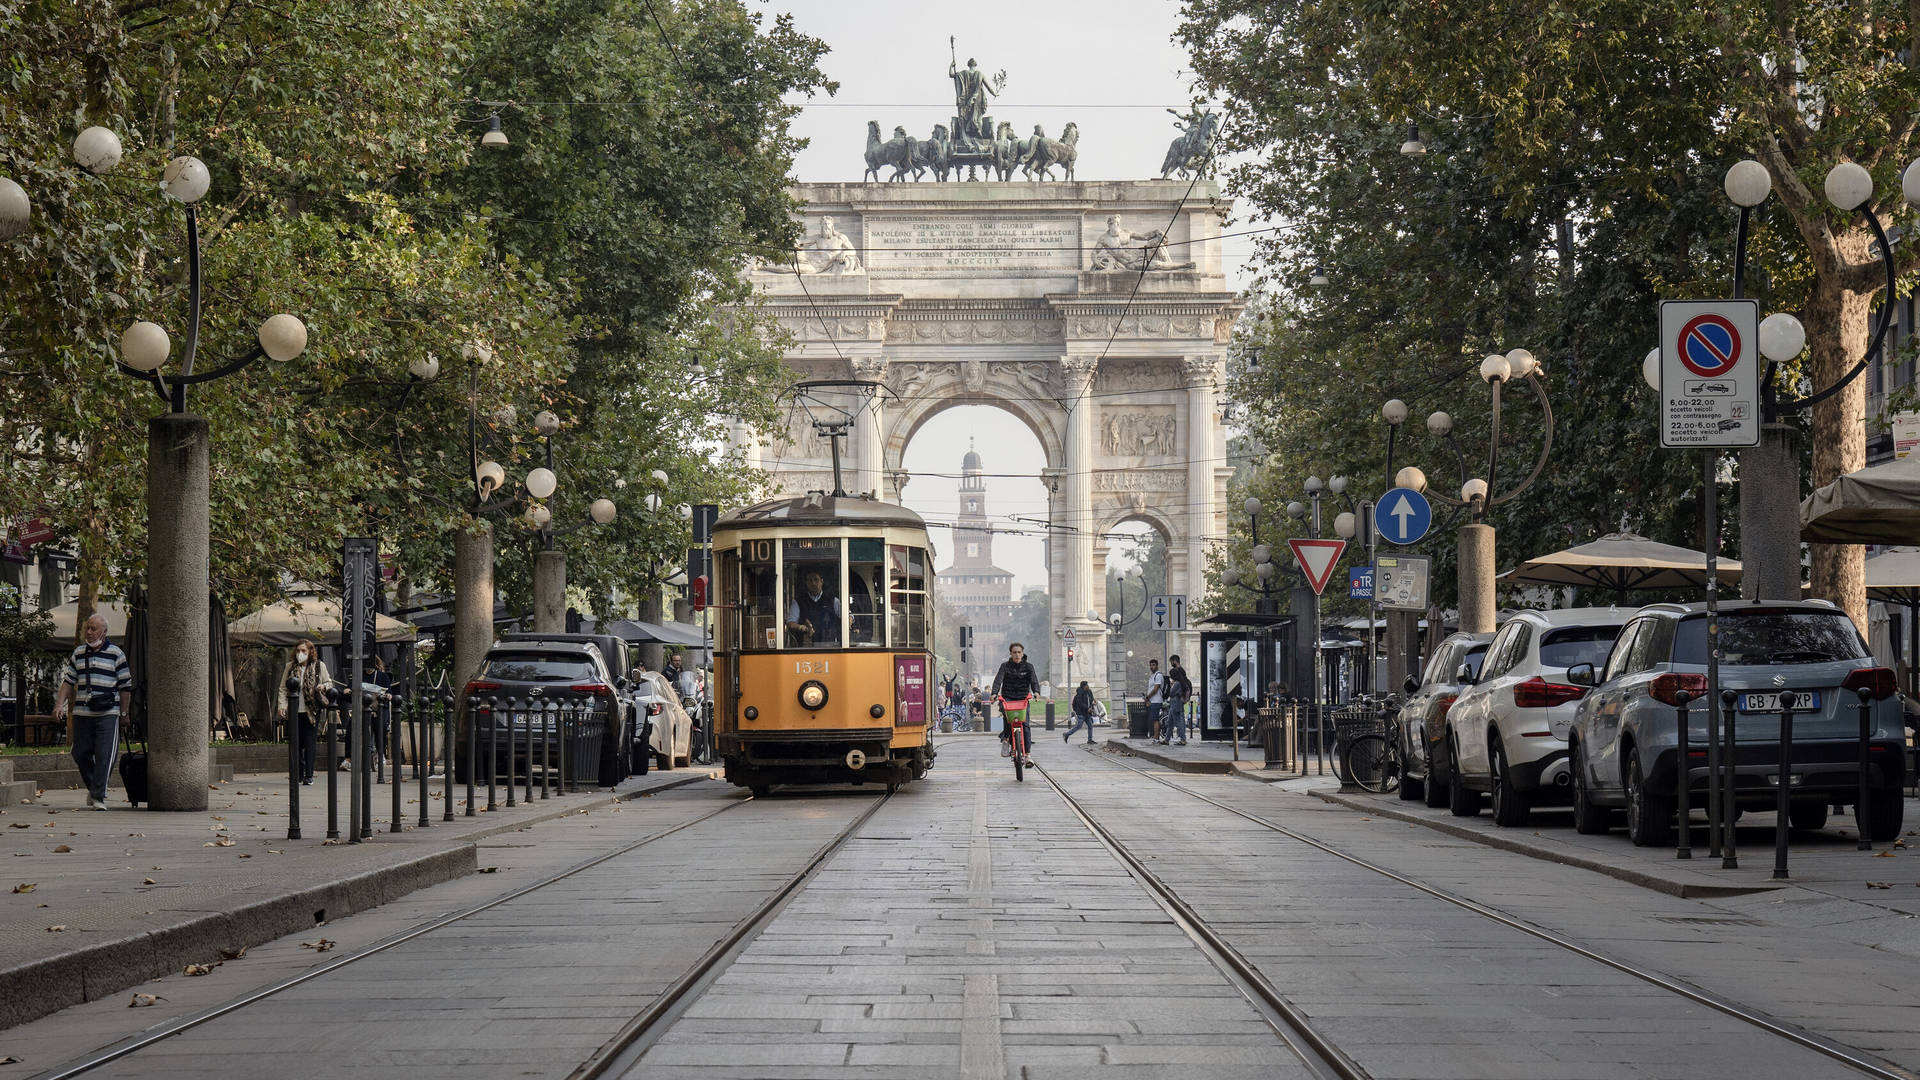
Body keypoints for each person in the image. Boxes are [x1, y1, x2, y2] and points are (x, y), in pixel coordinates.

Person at [52, 614, 132, 810]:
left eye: (93, 628)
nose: (89, 632)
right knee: (79, 752)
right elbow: (68, 682)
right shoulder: (78, 653)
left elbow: (125, 687)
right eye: (87, 628)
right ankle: (94, 788)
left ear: (104, 632)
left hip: (108, 713)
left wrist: (124, 714)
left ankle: (98, 797)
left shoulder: (116, 654)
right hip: (82, 713)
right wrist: (58, 705)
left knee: (105, 755)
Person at [277, 642, 334, 784]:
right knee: (296, 743)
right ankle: (298, 772)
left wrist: (323, 686)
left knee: (310, 743)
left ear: (310, 652)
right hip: (294, 710)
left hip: (312, 710)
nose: (300, 653)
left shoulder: (319, 666)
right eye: (297, 650)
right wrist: (282, 705)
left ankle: (309, 775)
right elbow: (283, 687)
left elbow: (329, 682)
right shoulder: (290, 666)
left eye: (303, 650)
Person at [990, 642, 1039, 752]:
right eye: (1014, 652)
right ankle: (1006, 739)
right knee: (1007, 720)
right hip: (1008, 698)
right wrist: (994, 693)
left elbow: (1034, 681)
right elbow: (998, 680)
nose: (1017, 655)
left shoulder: (1028, 667)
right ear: (1011, 654)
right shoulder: (1005, 666)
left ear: (1022, 653)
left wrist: (1036, 692)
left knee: (1025, 725)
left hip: (1023, 699)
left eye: (1019, 652)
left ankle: (1027, 755)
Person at [785, 569, 840, 645]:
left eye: (816, 580)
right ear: (806, 583)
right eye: (810, 580)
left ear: (822, 581)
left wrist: (850, 618)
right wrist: (801, 627)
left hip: (829, 646)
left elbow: (848, 617)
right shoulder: (798, 602)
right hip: (806, 647)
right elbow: (790, 623)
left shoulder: (833, 600)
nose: (813, 583)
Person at [1160, 654, 1193, 745]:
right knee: (1170, 722)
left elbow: (1171, 692)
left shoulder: (1178, 682)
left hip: (1176, 702)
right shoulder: (1179, 681)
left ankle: (1182, 739)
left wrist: (1171, 686)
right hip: (1174, 703)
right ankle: (1167, 739)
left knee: (1179, 722)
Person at [1143, 659, 1165, 740]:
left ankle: (1156, 737)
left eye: (1153, 665)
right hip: (1152, 701)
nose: (1151, 667)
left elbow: (1156, 689)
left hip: (1156, 700)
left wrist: (1148, 697)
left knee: (1155, 719)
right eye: (1150, 665)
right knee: (1153, 719)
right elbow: (1150, 688)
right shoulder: (1152, 676)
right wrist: (1147, 699)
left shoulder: (1158, 675)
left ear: (1157, 666)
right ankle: (1154, 736)